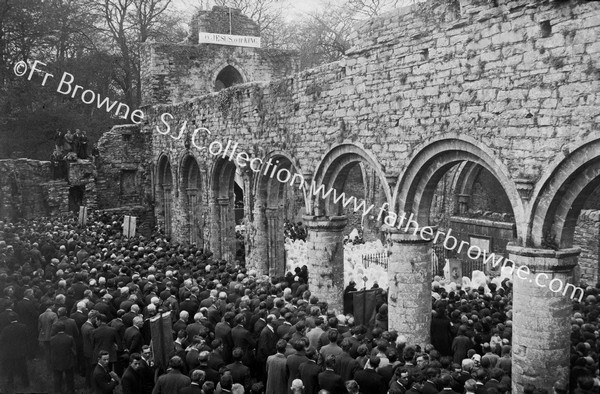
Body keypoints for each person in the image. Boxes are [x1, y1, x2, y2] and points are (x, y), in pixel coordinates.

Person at [0, 311, 30, 390]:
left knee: (10, 368)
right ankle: (25, 383)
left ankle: (10, 383)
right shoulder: (23, 327)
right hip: (21, 350)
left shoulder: (5, 329)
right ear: (17, 318)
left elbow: (2, 340)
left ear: (9, 319)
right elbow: (27, 338)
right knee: (23, 368)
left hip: (10, 351)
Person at [50, 321, 77, 394]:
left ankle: (58, 391)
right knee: (69, 378)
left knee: (57, 378)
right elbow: (74, 350)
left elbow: (52, 351)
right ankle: (70, 391)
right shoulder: (70, 338)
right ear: (64, 328)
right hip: (68, 360)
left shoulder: (52, 339)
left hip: (57, 361)